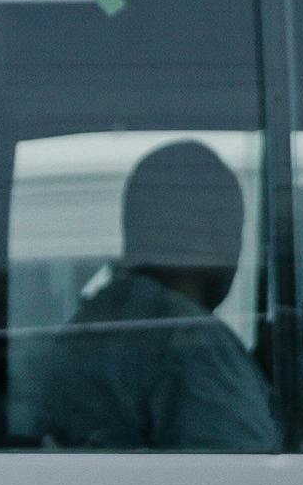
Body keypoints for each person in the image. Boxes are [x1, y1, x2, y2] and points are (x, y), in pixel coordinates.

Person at [25, 136, 277, 451]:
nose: (235, 251)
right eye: (233, 230)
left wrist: (261, 367)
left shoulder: (92, 327)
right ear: (209, 233)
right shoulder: (189, 340)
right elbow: (248, 471)